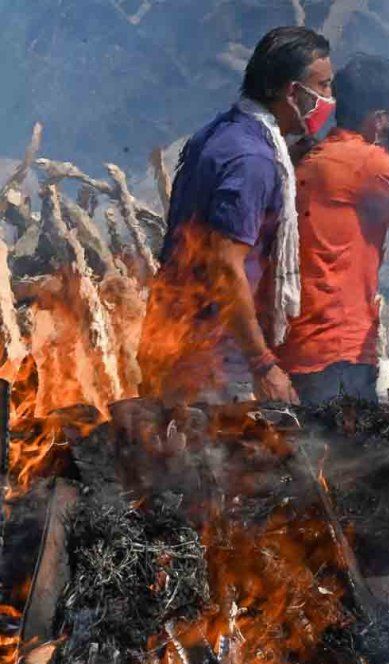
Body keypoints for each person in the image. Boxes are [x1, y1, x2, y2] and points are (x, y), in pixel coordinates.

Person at [139, 26, 334, 405]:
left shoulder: (224, 133)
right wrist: (262, 364)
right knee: (223, 460)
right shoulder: (252, 159)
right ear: (292, 92)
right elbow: (227, 267)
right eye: (323, 86)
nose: (329, 98)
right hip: (211, 355)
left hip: (175, 336)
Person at [275, 54, 389, 405]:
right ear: (378, 119)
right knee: (344, 455)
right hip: (337, 350)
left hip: (303, 344)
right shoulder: (364, 162)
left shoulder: (323, 156)